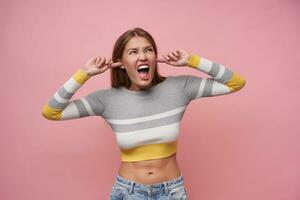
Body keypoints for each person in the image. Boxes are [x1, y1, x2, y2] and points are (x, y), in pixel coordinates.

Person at [41, 27, 246, 200]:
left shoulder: (180, 87)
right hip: (128, 192)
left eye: (148, 50)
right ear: (120, 62)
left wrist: (192, 60)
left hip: (172, 192)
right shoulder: (105, 100)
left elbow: (236, 83)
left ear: (155, 57)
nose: (143, 56)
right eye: (133, 52)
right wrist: (83, 73)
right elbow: (52, 112)